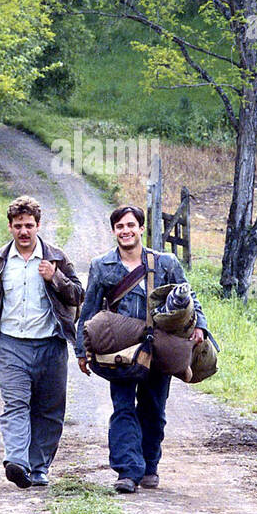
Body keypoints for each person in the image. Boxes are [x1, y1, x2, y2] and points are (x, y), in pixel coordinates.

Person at [75, 205, 210, 493]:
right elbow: (88, 310)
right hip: (119, 348)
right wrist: (81, 350)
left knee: (153, 410)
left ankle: (149, 465)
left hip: (158, 346)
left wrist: (200, 327)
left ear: (140, 229)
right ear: (114, 231)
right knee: (123, 408)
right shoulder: (102, 265)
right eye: (119, 227)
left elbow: (189, 297)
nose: (125, 231)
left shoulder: (165, 263)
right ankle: (127, 471)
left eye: (130, 225)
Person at [0, 196, 84, 489]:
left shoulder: (56, 258)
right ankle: (17, 462)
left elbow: (78, 296)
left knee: (49, 409)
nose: (24, 231)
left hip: (50, 344)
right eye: (18, 226)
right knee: (16, 404)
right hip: (11, 346)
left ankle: (39, 466)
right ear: (10, 227)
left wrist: (55, 277)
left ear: (38, 226)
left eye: (29, 225)